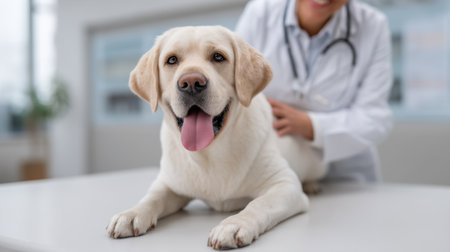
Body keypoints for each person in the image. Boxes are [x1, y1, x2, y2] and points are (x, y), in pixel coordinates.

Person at [235, 0, 393, 182]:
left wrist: (311, 125)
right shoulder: (260, 14)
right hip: (275, 170)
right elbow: (236, 86)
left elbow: (374, 117)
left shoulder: (373, 25)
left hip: (345, 176)